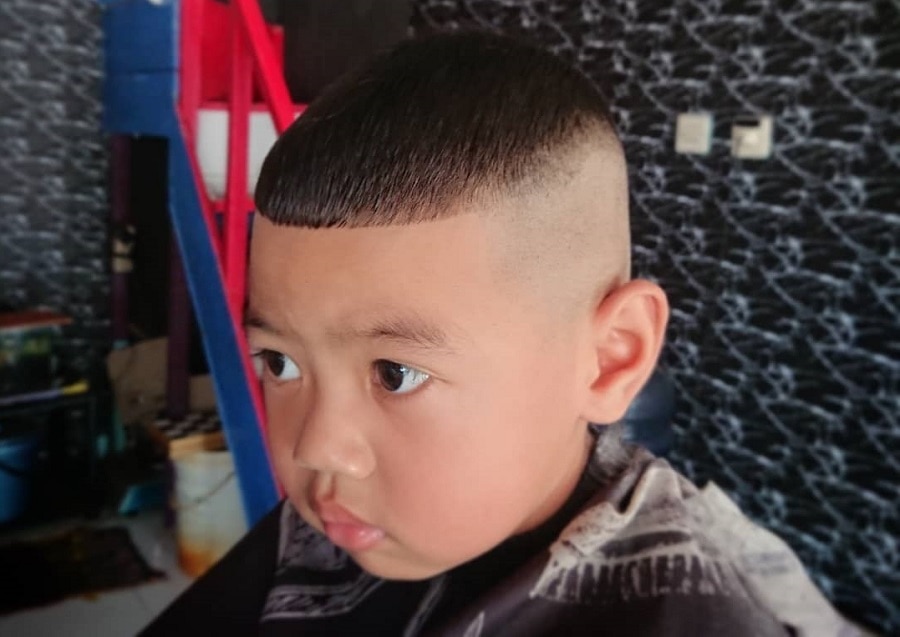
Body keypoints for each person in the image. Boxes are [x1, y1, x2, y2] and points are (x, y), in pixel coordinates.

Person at [142, 31, 866, 636]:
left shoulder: (695, 610)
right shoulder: (335, 522)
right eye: (280, 360)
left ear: (612, 357)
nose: (316, 446)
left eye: (395, 373)